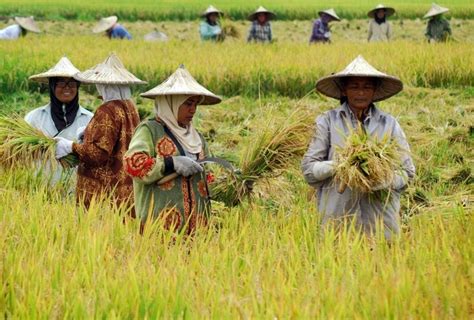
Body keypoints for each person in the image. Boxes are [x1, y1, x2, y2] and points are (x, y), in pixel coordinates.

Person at [301, 55, 415, 241]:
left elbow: (407, 172)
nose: (361, 92)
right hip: (338, 225)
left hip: (381, 225)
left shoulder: (389, 124)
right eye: (354, 86)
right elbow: (309, 170)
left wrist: (382, 178)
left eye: (366, 87)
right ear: (344, 90)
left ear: (375, 91)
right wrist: (340, 165)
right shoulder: (327, 122)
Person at [124, 65, 222, 234]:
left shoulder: (197, 138)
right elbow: (133, 164)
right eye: (188, 104)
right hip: (160, 230)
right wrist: (170, 163)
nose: (193, 110)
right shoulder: (150, 130)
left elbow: (208, 178)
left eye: (195, 104)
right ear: (171, 103)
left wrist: (230, 187)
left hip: (198, 232)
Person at [54, 53, 146, 213]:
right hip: (125, 187)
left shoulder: (107, 110)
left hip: (104, 193)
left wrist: (71, 146)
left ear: (104, 85)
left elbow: (97, 155)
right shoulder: (130, 107)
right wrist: (89, 132)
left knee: (99, 234)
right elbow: (118, 140)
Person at [26, 56, 92, 140]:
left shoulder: (89, 119)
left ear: (77, 87)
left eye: (72, 84)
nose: (67, 88)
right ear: (52, 86)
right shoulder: (34, 118)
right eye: (61, 83)